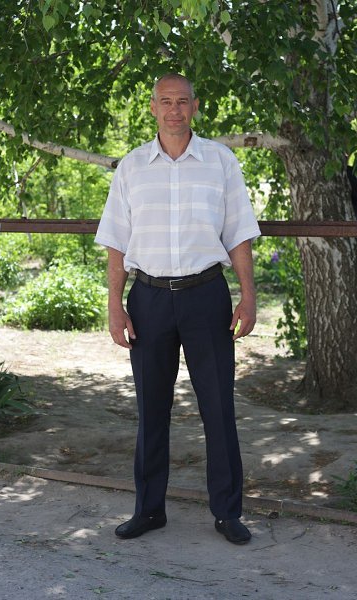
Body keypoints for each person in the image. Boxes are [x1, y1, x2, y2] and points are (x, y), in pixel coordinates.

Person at [95, 73, 261, 545]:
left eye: (182, 101)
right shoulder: (132, 167)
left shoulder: (220, 162)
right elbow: (116, 243)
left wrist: (249, 296)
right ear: (152, 107)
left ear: (195, 106)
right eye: (165, 101)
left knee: (218, 407)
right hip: (147, 300)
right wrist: (114, 306)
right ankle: (149, 510)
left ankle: (227, 513)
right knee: (151, 409)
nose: (174, 110)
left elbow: (239, 234)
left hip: (206, 295)